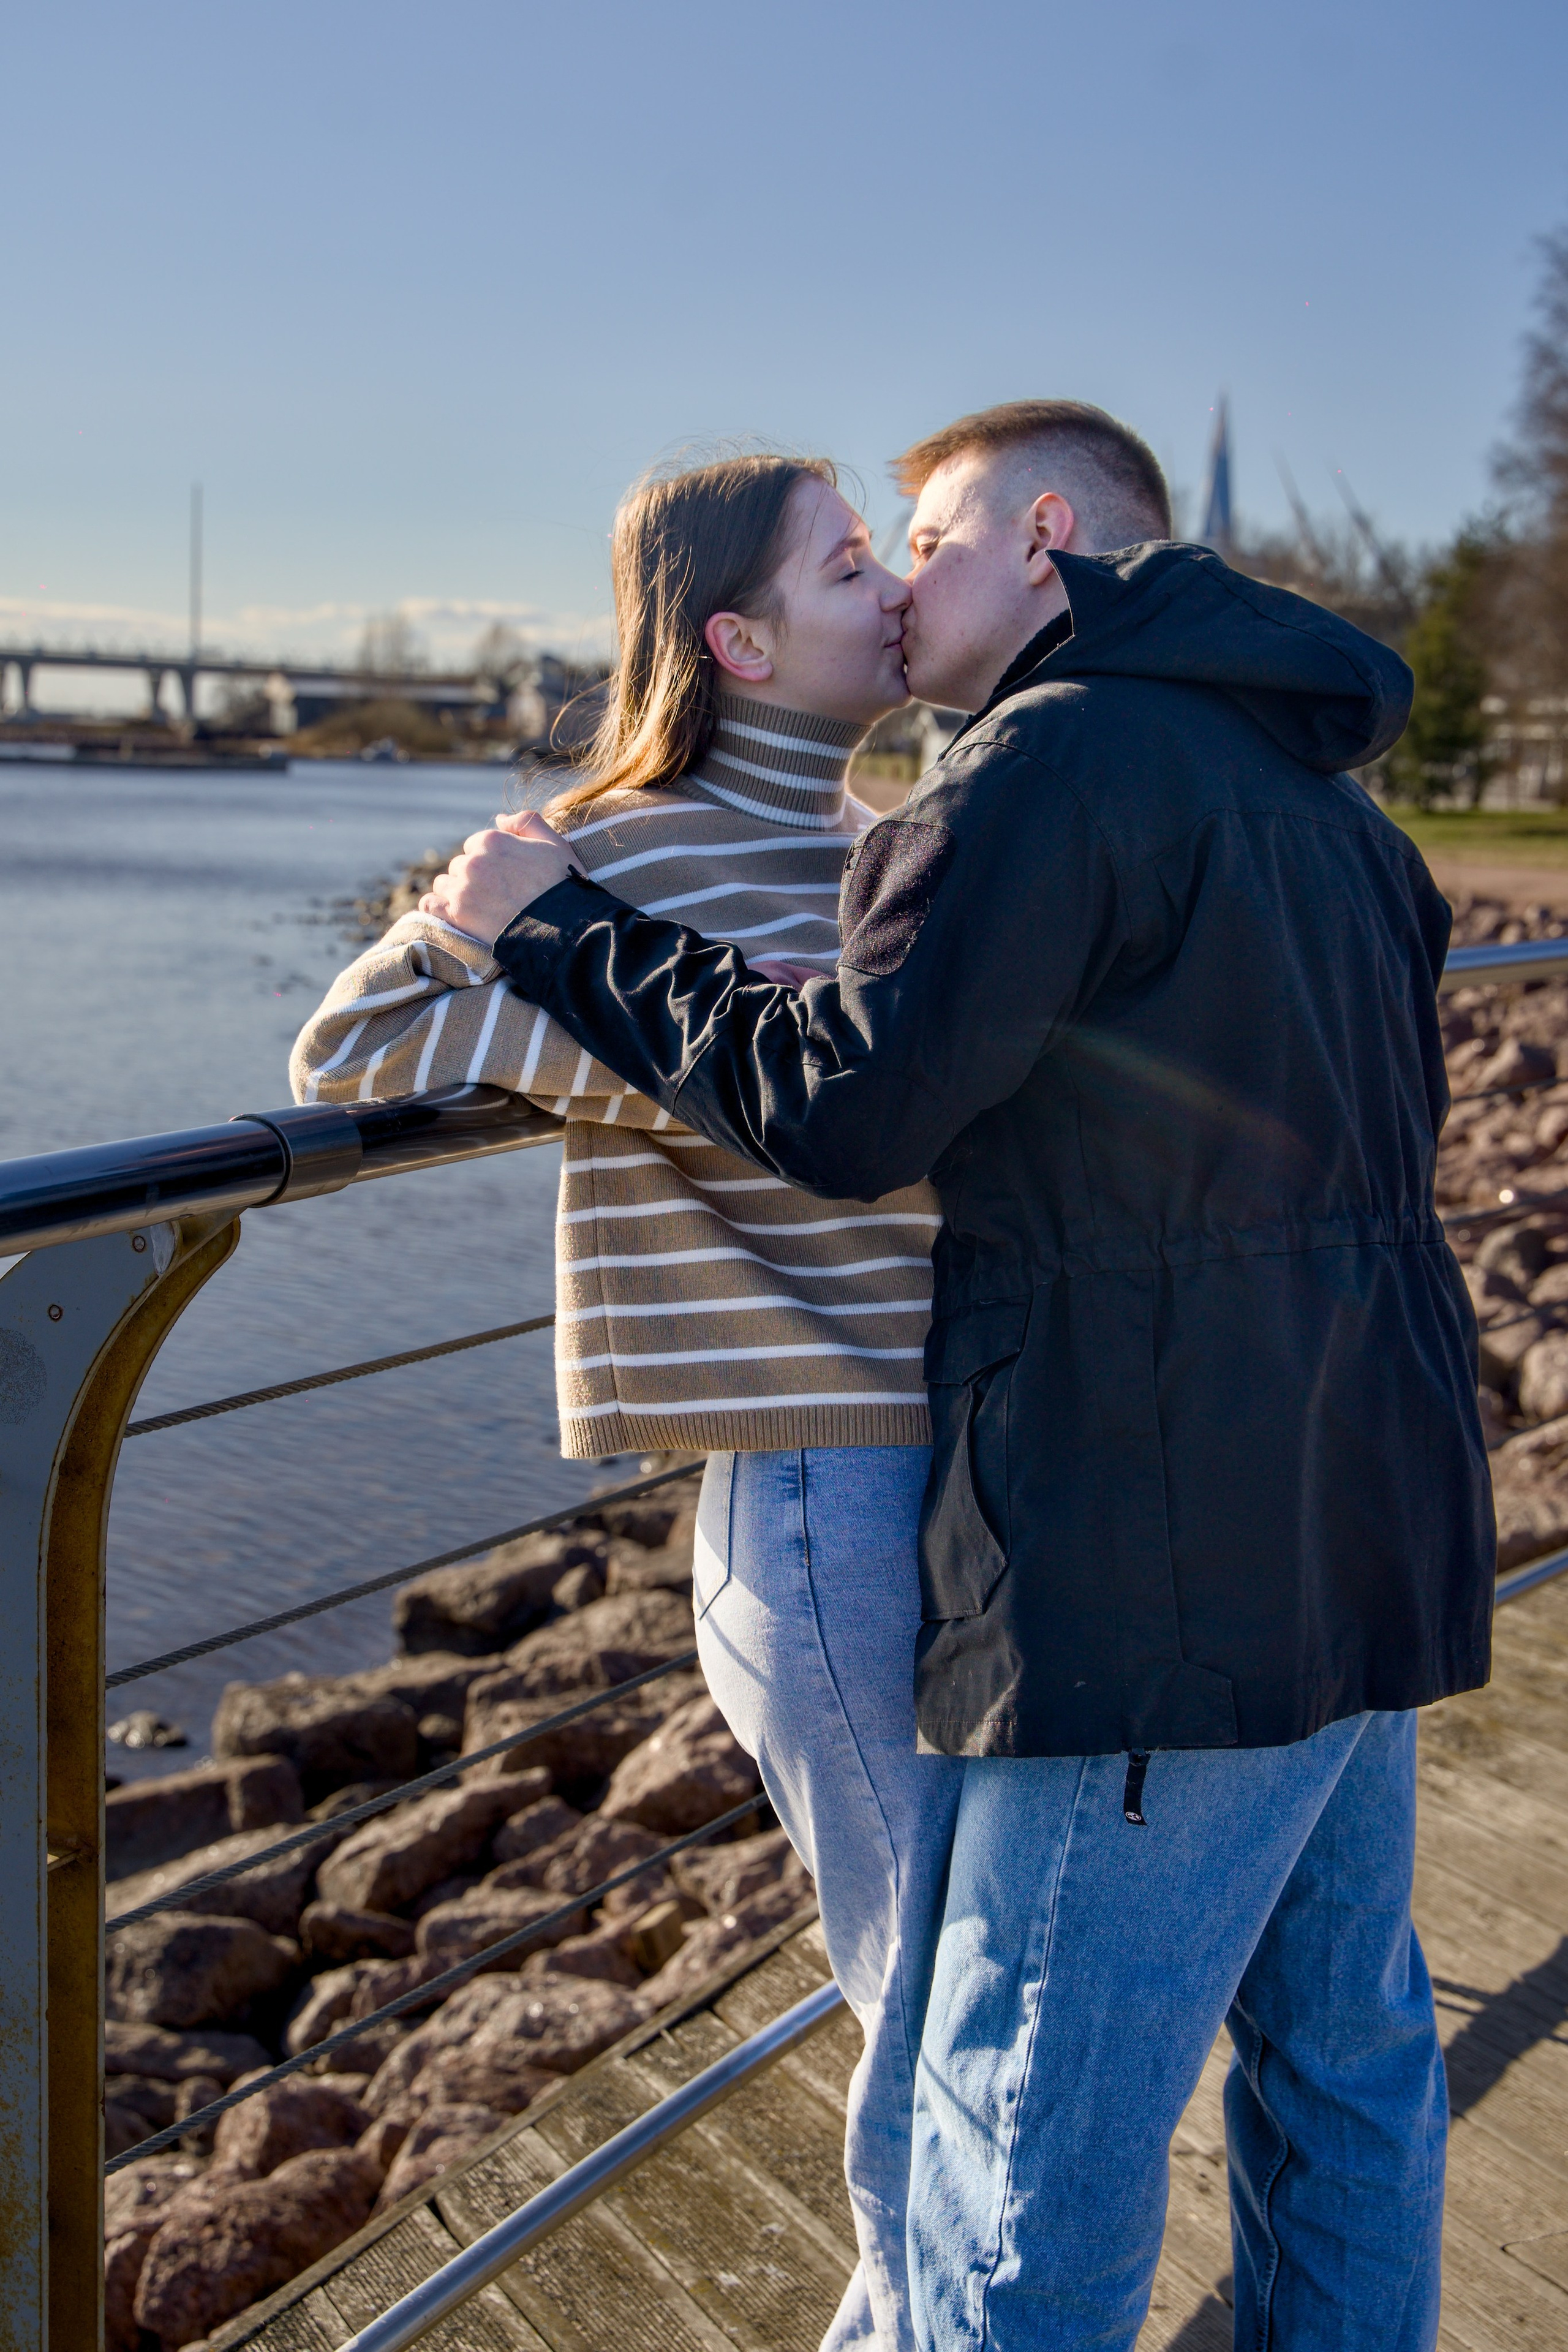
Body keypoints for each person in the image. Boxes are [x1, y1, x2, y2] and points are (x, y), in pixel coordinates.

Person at [417, 399, 1496, 2352]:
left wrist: (559, 931)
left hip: (1164, 1562)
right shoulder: (1338, 813)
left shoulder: (1043, 761)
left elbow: (851, 1107)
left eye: (926, 539)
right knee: (1344, 2063)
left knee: (1021, 2154)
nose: (905, 587)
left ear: (1047, 534)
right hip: (1376, 1514)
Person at [292, 451, 965, 2352]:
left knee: (964, 1984)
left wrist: (747, 1036)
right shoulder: (607, 850)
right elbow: (352, 1044)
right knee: (938, 1994)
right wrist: (687, 1037)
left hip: (969, 1466)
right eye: (851, 562)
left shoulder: (893, 836)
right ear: (737, 641)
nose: (895, 587)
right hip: (819, 1489)